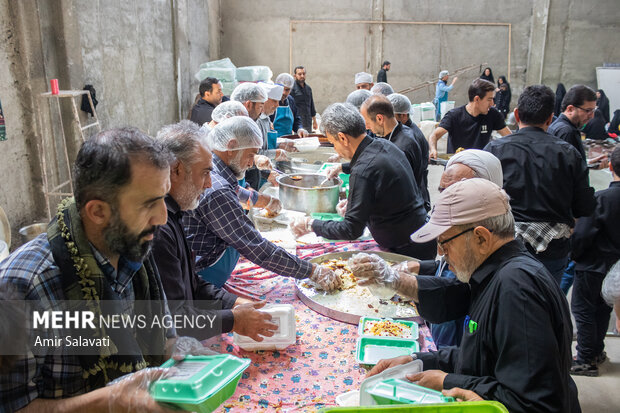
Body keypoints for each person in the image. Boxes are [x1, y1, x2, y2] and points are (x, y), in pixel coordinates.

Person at [0, 127, 216, 412]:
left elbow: (163, 335)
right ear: (98, 211)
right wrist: (107, 400)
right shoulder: (25, 286)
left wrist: (179, 351)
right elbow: (13, 405)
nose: (163, 218)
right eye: (149, 203)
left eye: (163, 198)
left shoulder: (136, 251)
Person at [363, 178, 581, 413]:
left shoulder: (517, 290)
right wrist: (420, 361)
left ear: (481, 238)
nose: (441, 254)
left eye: (445, 243)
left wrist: (448, 381)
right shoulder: (492, 274)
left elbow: (535, 403)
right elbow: (484, 355)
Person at [349, 149, 503, 349]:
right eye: (443, 190)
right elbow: (445, 268)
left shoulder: (500, 265)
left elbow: (458, 291)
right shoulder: (459, 226)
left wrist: (396, 280)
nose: (447, 198)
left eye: (458, 191)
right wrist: (417, 267)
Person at [153, 120, 278, 343]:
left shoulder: (175, 213)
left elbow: (192, 284)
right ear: (176, 170)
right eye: (205, 173)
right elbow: (175, 319)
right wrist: (232, 320)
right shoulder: (158, 228)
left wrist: (233, 303)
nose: (210, 183)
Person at [183, 116, 340, 290]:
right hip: (205, 275)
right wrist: (311, 271)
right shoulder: (217, 190)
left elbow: (238, 191)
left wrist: (267, 201)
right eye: (250, 155)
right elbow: (255, 247)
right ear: (231, 146)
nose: (251, 163)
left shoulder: (218, 171)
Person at [290, 103, 435, 260]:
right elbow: (386, 192)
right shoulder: (384, 144)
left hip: (408, 249)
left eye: (333, 143)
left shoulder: (363, 170)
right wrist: (361, 204)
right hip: (419, 235)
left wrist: (310, 224)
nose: (335, 150)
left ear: (343, 138)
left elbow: (351, 229)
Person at [485, 84, 596, 285]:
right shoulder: (569, 154)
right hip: (552, 250)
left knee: (501, 302)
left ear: (516, 115)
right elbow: (584, 206)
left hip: (503, 247)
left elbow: (479, 199)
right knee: (545, 307)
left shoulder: (494, 150)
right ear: (550, 118)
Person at [570, 146, 620, 376]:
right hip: (615, 268)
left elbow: (582, 234)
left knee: (583, 310)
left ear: (610, 166)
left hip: (593, 264)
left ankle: (585, 358)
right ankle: (597, 351)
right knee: (602, 310)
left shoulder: (601, 199)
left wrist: (575, 255)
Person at [360, 94, 430, 211]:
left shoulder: (403, 146)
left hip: (405, 211)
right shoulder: (399, 132)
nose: (366, 127)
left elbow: (396, 189)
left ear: (380, 119)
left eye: (367, 122)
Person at [429, 79, 510, 158]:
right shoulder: (454, 115)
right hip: (457, 166)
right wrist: (433, 150)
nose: (492, 103)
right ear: (477, 99)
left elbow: (509, 137)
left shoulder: (493, 114)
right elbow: (434, 135)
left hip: (482, 165)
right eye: (489, 99)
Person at [547, 85, 604, 166]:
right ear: (570, 109)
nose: (592, 116)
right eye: (588, 110)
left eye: (593, 111)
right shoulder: (567, 132)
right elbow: (566, 172)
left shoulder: (557, 125)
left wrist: (587, 165)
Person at [271, 73, 308, 138]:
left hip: (289, 140)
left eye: (287, 90)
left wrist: (300, 129)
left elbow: (296, 119)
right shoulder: (270, 101)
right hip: (273, 140)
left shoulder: (290, 100)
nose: (284, 93)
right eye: (282, 89)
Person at [290, 66, 317, 132]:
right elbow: (290, 108)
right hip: (298, 124)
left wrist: (314, 121)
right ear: (295, 75)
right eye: (299, 74)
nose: (302, 76)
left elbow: (311, 105)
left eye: (303, 74)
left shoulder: (308, 88)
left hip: (308, 121)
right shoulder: (292, 89)